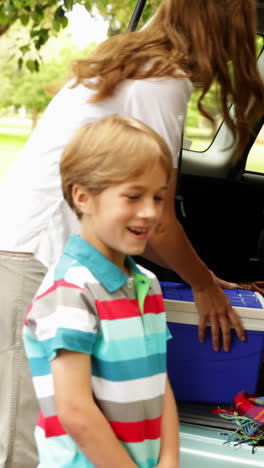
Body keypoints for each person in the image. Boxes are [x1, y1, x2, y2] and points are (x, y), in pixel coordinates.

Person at [0, 0, 263, 466]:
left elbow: (148, 212)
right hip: (33, 255)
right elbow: (158, 219)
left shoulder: (138, 66)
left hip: (32, 247)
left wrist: (205, 276)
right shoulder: (162, 81)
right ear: (222, 28)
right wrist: (204, 285)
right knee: (26, 439)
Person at [23, 114, 179, 468]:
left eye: (158, 197)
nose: (150, 212)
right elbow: (76, 412)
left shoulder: (147, 285)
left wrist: (169, 458)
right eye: (133, 196)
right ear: (83, 197)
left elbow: (158, 381)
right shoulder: (70, 292)